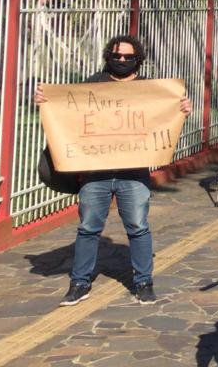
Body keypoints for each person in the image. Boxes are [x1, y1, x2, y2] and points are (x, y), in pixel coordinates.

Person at [40, 35, 193, 307]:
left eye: (128, 57)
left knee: (138, 227)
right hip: (95, 171)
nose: (122, 60)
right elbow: (67, 111)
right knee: (88, 228)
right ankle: (79, 283)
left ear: (138, 59)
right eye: (117, 56)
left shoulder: (150, 89)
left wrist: (181, 109)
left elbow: (165, 115)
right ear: (108, 57)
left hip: (133, 172)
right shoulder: (92, 85)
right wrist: (46, 101)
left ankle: (143, 282)